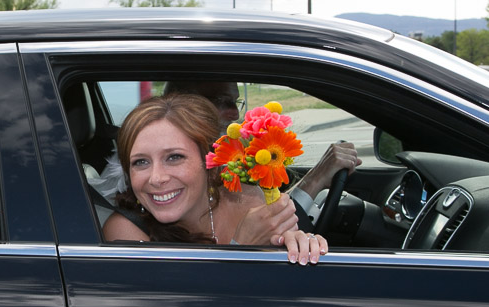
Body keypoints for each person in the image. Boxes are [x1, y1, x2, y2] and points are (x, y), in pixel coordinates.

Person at [103, 94, 327, 265]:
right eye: (140, 162)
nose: (157, 178)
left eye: (174, 157)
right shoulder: (125, 232)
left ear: (209, 164)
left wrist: (300, 247)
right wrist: (241, 247)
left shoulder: (247, 199)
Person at [163, 80, 362, 226]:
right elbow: (267, 233)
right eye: (224, 102)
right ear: (184, 106)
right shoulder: (186, 175)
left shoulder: (224, 161)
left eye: (236, 102)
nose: (236, 114)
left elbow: (263, 218)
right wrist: (315, 180)